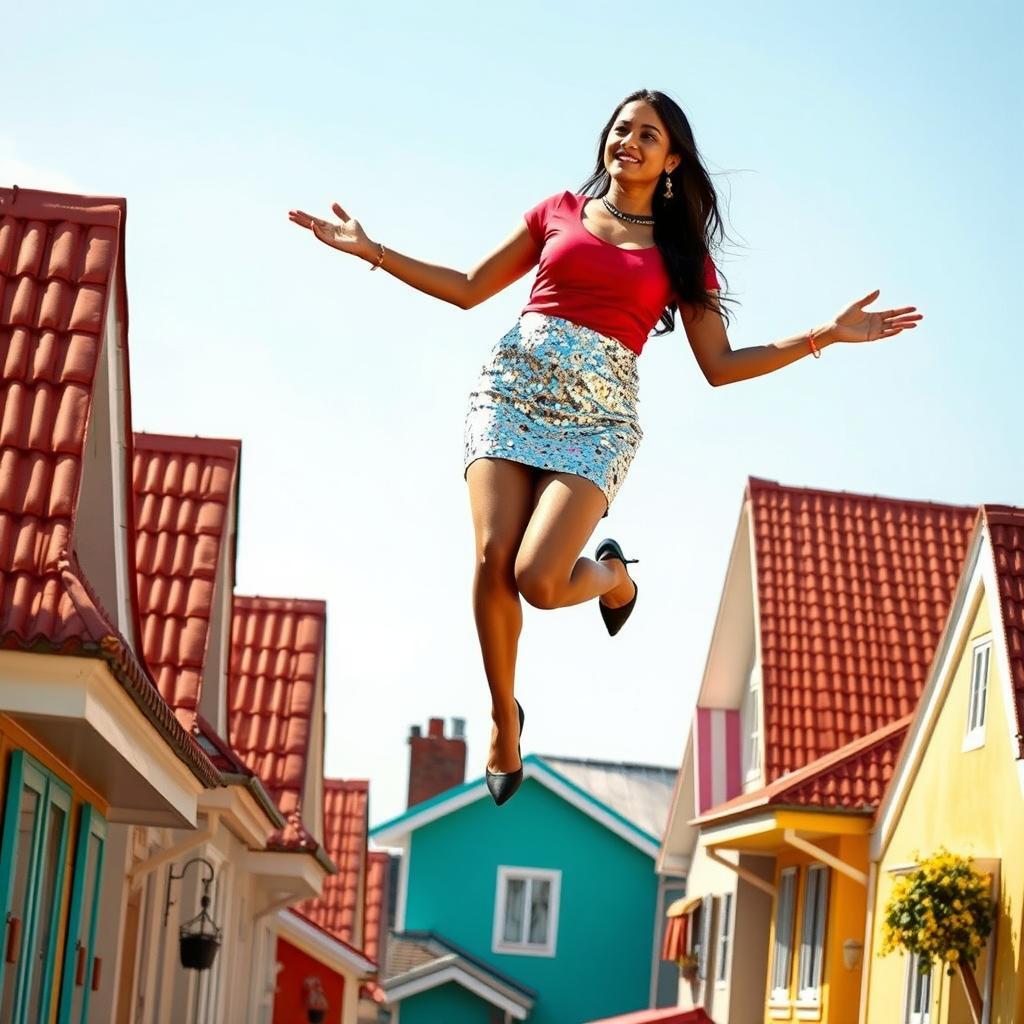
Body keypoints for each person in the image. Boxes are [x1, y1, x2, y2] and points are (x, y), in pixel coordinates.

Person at [289, 88, 922, 807]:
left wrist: (824, 335)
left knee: (537, 578)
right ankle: (505, 723)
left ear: (672, 159)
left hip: (598, 421)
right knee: (494, 558)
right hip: (509, 393)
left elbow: (720, 365)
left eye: (647, 135)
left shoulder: (684, 259)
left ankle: (613, 576)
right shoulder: (557, 210)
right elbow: (468, 288)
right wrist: (371, 250)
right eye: (621, 128)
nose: (629, 141)